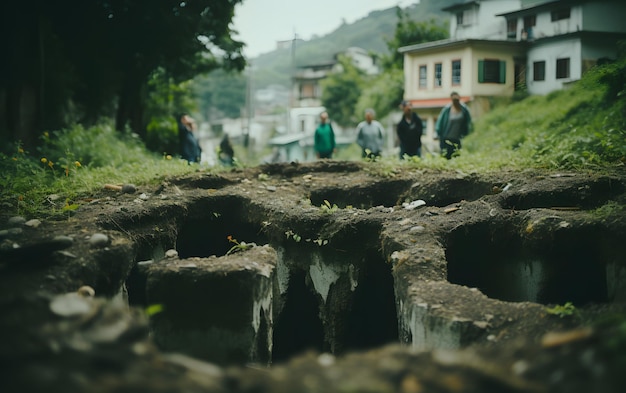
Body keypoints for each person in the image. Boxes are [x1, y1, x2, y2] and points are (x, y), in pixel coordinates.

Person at [435, 92, 472, 159]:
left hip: (457, 138)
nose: (456, 102)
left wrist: (467, 133)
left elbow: (468, 122)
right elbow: (440, 122)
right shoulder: (447, 110)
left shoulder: (464, 110)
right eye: (454, 100)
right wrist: (437, 133)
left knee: (456, 156)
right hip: (446, 137)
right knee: (445, 156)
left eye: (457, 100)